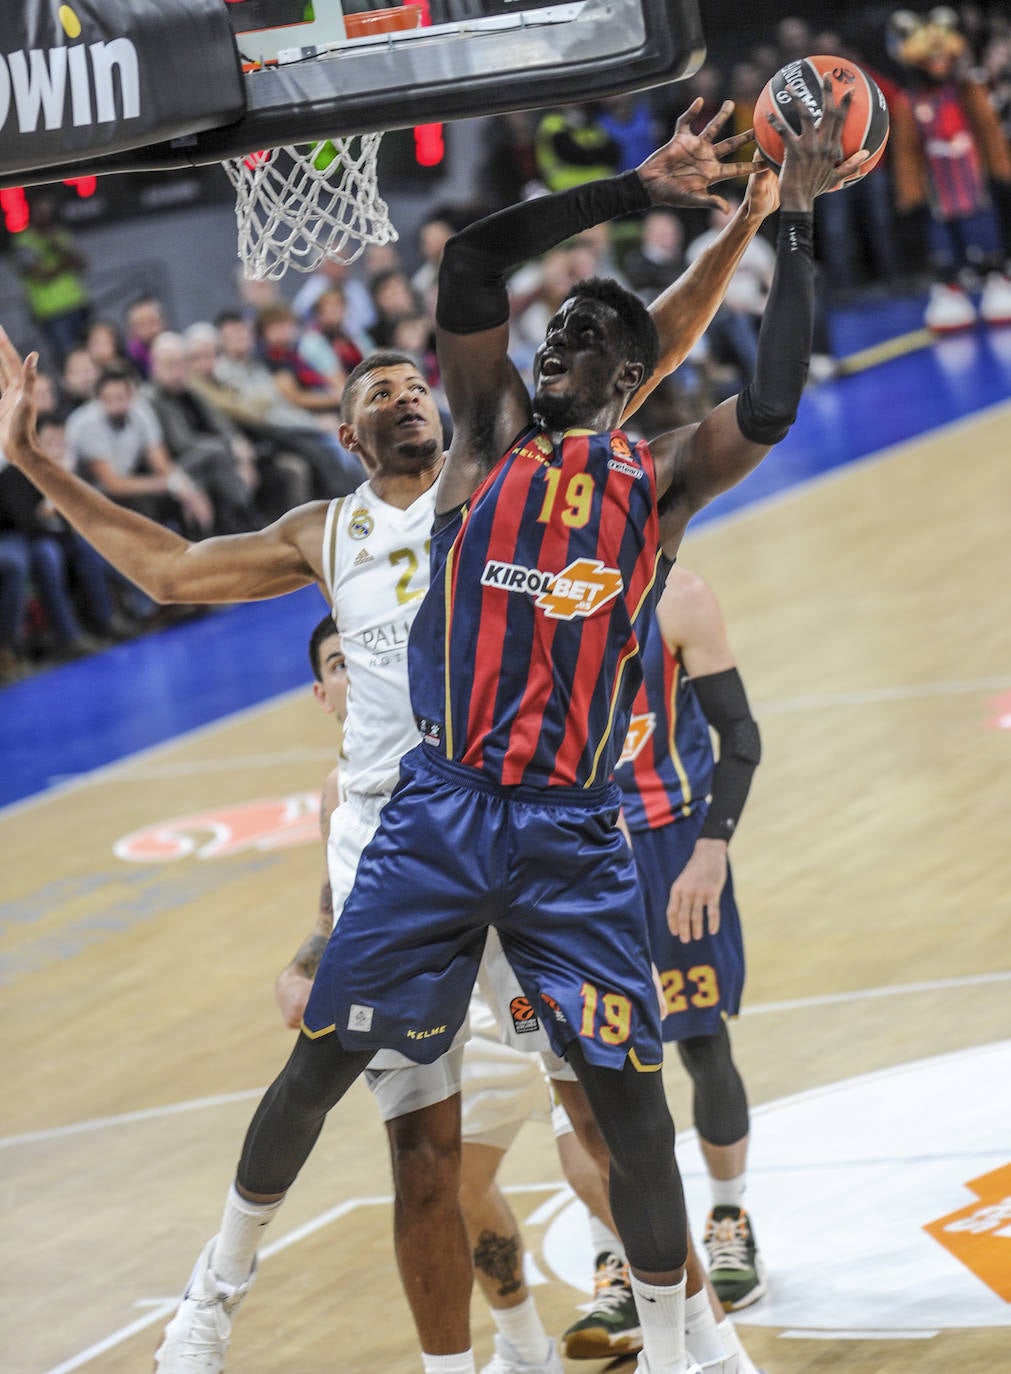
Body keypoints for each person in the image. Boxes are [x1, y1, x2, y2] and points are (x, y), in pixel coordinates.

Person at [0, 86, 859, 1374]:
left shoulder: (634, 465)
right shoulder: (415, 480)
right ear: (351, 431)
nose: (409, 388)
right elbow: (173, 568)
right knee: (393, 1119)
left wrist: (763, 214)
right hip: (428, 810)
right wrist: (34, 462)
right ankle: (256, 1312)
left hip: (566, 819)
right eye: (383, 387)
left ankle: (693, 1340)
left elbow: (678, 351)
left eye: (416, 375)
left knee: (613, 1097)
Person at [560, 564, 765, 1357]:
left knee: (702, 1042)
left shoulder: (679, 595)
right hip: (579, 851)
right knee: (582, 1068)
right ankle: (613, 1260)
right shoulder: (541, 594)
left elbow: (739, 734)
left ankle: (728, 1214)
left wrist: (712, 846)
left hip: (676, 842)